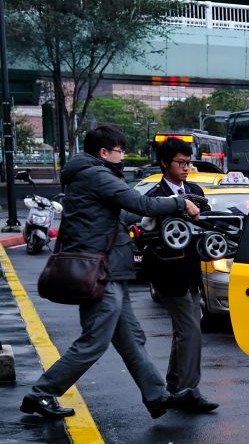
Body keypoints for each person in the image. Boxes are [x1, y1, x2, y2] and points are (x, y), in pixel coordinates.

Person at [20, 126, 201, 420]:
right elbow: (139, 202)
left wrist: (153, 214)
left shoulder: (91, 175)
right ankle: (41, 394)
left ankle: (157, 396)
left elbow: (121, 214)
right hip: (100, 272)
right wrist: (178, 202)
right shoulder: (96, 175)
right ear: (104, 152)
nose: (122, 157)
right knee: (94, 341)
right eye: (119, 151)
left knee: (132, 339)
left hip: (111, 270)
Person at [141, 138, 219, 413]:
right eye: (181, 163)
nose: (187, 168)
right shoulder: (153, 197)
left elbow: (208, 222)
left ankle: (175, 385)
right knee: (190, 330)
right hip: (166, 272)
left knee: (183, 330)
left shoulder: (196, 190)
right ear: (165, 163)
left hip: (191, 271)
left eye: (189, 162)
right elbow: (146, 236)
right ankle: (188, 390)